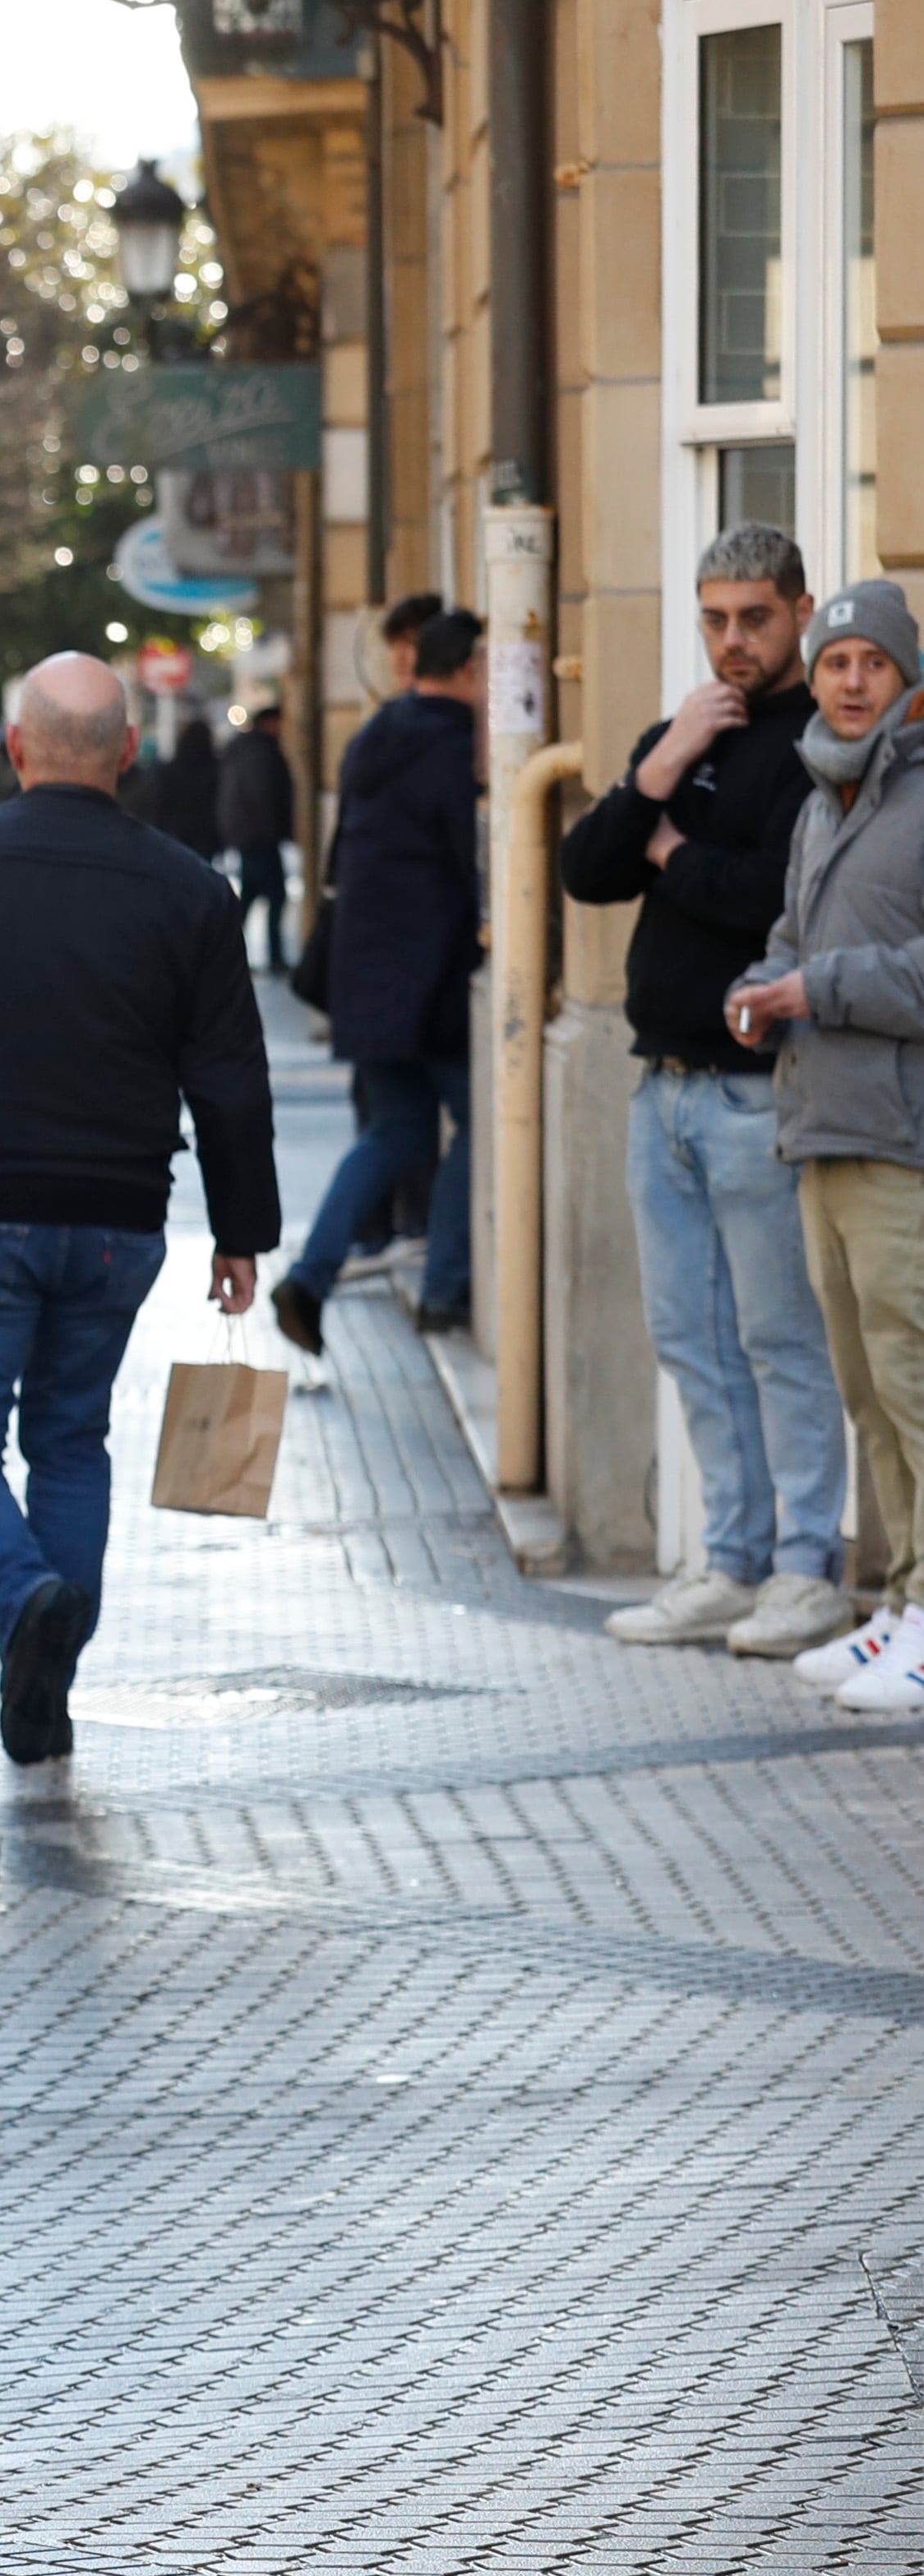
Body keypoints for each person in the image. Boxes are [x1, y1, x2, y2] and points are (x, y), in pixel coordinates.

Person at [0, 653, 277, 1765]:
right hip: (123, 1217)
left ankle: (23, 1597)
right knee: (71, 1438)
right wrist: (239, 1230)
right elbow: (227, 1073)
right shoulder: (189, 889)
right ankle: (45, 1680)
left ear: (14, 749)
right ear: (128, 752)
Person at [561, 522, 843, 1660]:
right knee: (690, 1337)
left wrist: (670, 856)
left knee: (781, 1339)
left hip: (753, 1094)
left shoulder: (823, 745)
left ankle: (805, 1568)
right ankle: (727, 1560)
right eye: (715, 619)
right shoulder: (689, 731)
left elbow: (770, 899)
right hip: (660, 1091)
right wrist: (659, 765)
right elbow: (586, 870)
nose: (733, 642)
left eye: (754, 619)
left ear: (800, 611)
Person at [732, 579, 924, 1709]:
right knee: (866, 1391)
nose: (852, 683)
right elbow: (787, 939)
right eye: (837, 663)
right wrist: (759, 988)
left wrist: (821, 988)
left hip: (901, 1140)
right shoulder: (825, 800)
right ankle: (898, 1604)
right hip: (821, 1128)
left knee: (914, 1384)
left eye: (874, 665)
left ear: (906, 681)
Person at [274, 609, 487, 1352]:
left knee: (394, 1131)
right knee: (480, 1127)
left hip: (365, 984)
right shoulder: (458, 747)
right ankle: (446, 1288)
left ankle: (309, 1275)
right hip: (434, 986)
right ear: (469, 670)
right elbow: (473, 869)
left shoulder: (374, 739)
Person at [221, 706, 296, 970]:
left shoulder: (245, 748)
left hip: (249, 836)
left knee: (253, 895)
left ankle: (225, 952)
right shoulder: (260, 751)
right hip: (259, 837)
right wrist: (273, 831)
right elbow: (260, 794)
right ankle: (270, 956)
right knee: (273, 895)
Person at [151, 714, 224, 868]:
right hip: (207, 834)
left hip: (177, 832)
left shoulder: (170, 769)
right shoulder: (216, 768)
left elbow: (162, 804)